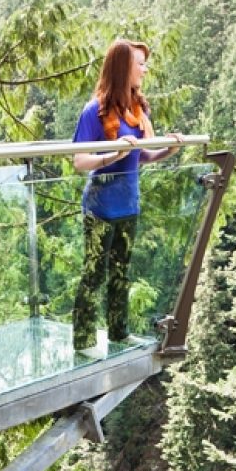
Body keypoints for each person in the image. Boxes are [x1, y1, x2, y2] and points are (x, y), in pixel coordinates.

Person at [71, 38, 182, 353]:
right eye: (140, 64)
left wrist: (169, 149)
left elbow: (141, 156)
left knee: (121, 272)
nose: (145, 70)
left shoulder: (136, 112)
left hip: (128, 204)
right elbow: (80, 161)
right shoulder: (94, 111)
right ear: (123, 68)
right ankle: (83, 342)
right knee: (94, 273)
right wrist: (111, 155)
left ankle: (119, 333)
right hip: (99, 205)